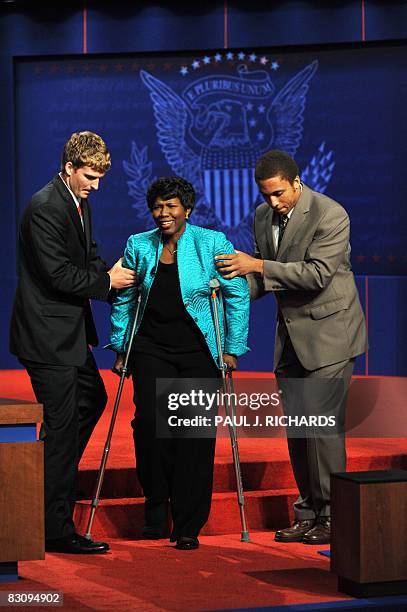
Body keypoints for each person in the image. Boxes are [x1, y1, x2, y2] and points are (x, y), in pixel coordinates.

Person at [215, 150, 367, 545]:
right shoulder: (264, 217)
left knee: (322, 428)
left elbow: (316, 275)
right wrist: (228, 291)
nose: (272, 203)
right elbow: (261, 277)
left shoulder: (330, 214)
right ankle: (308, 514)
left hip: (331, 337)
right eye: (265, 195)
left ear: (296, 183)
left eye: (279, 194)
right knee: (300, 430)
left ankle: (334, 516)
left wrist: (257, 267)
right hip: (291, 341)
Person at [9, 131, 136, 554]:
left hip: (69, 334)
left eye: (100, 177)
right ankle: (54, 527)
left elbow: (86, 257)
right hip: (46, 336)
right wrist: (106, 281)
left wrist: (112, 275)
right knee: (62, 428)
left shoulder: (77, 202)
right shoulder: (46, 206)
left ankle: (47, 480)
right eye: (89, 176)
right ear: (68, 168)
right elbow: (57, 275)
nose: (95, 185)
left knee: (90, 402)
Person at [110, 176, 249, 550]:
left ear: (187, 209)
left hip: (199, 352)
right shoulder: (139, 245)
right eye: (157, 206)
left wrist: (233, 346)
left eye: (171, 206)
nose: (163, 213)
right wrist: (121, 346)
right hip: (151, 347)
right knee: (153, 426)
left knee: (192, 435)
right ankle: (156, 507)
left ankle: (187, 523)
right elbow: (125, 299)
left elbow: (236, 293)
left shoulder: (212, 243)